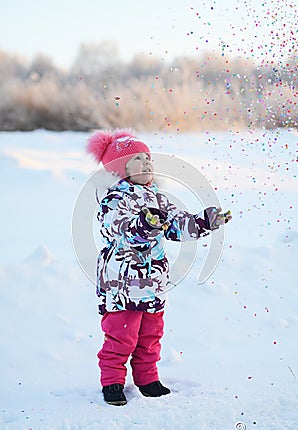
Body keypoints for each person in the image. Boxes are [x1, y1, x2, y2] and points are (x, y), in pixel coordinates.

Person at [86, 129, 232, 406]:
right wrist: (146, 224)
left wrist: (204, 221)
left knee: (150, 335)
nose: (148, 163)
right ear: (120, 167)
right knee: (121, 336)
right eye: (138, 159)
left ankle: (147, 378)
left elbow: (177, 225)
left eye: (149, 158)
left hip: (153, 282)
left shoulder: (158, 199)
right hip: (122, 284)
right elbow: (125, 231)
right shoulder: (113, 200)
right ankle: (113, 382)